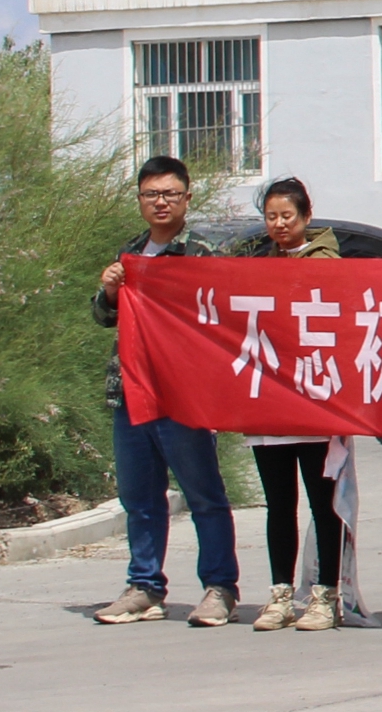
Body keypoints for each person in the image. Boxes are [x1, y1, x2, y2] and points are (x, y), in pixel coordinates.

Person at [90, 155, 238, 627]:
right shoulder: (130, 252)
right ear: (139, 199)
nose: (160, 202)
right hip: (132, 390)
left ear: (187, 198)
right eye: (151, 194)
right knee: (139, 498)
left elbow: (222, 318)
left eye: (170, 194)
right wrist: (109, 290)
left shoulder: (202, 255)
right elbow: (105, 317)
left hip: (182, 393)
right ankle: (144, 586)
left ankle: (220, 587)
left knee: (204, 495)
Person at [241, 177, 350, 633]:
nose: (279, 224)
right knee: (278, 504)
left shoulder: (330, 264)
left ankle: (326, 595)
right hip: (270, 402)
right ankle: (281, 595)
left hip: (317, 401)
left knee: (324, 504)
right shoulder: (256, 266)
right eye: (271, 217)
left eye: (287, 215)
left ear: (306, 216)